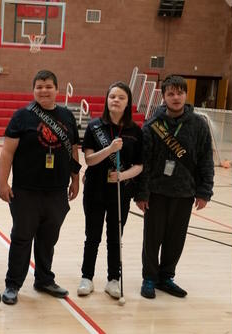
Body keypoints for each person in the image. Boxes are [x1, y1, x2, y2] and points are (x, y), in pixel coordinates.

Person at [0, 69, 83, 305]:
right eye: (39, 87)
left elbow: (73, 149)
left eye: (48, 86)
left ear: (58, 89)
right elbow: (7, 152)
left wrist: (75, 179)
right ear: (33, 90)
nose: (44, 90)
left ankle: (44, 279)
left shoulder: (67, 116)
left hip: (57, 191)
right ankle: (13, 284)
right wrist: (2, 182)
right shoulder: (22, 116)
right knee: (22, 238)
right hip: (25, 191)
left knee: (48, 239)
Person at [135, 76, 214, 300]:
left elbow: (205, 159)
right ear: (164, 97)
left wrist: (204, 191)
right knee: (152, 238)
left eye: (179, 93)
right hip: (156, 192)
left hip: (185, 192)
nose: (176, 97)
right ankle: (149, 278)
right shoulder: (151, 125)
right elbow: (144, 162)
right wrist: (142, 193)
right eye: (171, 93)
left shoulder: (199, 125)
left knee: (176, 239)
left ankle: (166, 277)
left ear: (186, 95)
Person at [78, 82, 144, 299]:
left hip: (120, 192)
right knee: (92, 236)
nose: (116, 100)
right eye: (112, 96)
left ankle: (113, 279)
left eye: (121, 97)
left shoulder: (135, 131)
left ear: (128, 103)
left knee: (115, 237)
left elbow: (140, 165)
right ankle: (87, 277)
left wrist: (122, 176)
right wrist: (110, 149)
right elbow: (89, 159)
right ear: (107, 100)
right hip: (95, 190)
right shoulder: (95, 126)